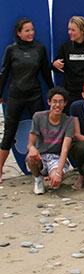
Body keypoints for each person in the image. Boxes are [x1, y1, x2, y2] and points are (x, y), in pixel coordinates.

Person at [0, 18, 52, 183]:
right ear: (19, 33)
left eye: (32, 30)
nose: (31, 33)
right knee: (9, 133)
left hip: (35, 95)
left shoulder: (39, 48)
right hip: (15, 95)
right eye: (27, 30)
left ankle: (44, 167)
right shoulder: (11, 50)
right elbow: (4, 73)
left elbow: (45, 72)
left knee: (41, 132)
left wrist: (53, 92)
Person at [27, 87, 74, 194]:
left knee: (55, 184)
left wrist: (58, 173)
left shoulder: (69, 121)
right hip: (41, 156)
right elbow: (30, 143)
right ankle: (38, 179)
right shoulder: (38, 117)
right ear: (49, 102)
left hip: (56, 158)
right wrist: (32, 148)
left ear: (65, 103)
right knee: (31, 157)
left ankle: (54, 175)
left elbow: (65, 149)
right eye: (54, 101)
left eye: (61, 102)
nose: (57, 105)